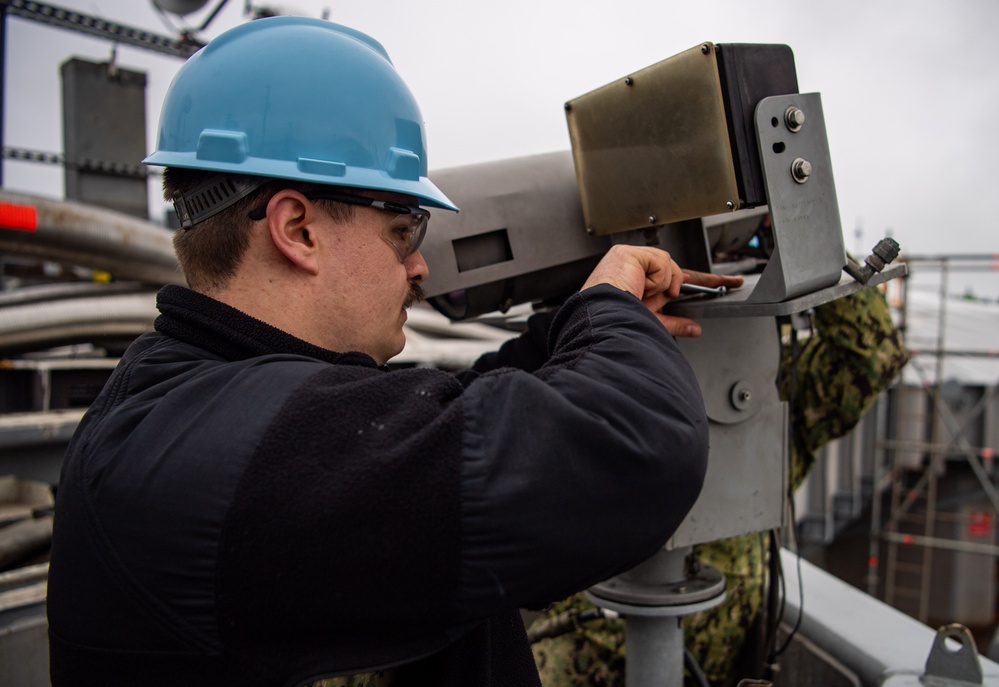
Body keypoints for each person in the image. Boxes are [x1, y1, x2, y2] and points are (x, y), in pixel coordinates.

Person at [45, 16, 742, 687]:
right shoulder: (249, 455)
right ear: (298, 228)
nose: (419, 268)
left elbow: (421, 431)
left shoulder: (186, 402)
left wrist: (565, 333)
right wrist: (608, 310)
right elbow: (636, 449)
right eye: (403, 229)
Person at [530, 284, 909, 686]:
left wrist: (796, 243)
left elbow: (870, 358)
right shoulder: (600, 359)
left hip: (704, 646)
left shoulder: (774, 384)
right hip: (586, 637)